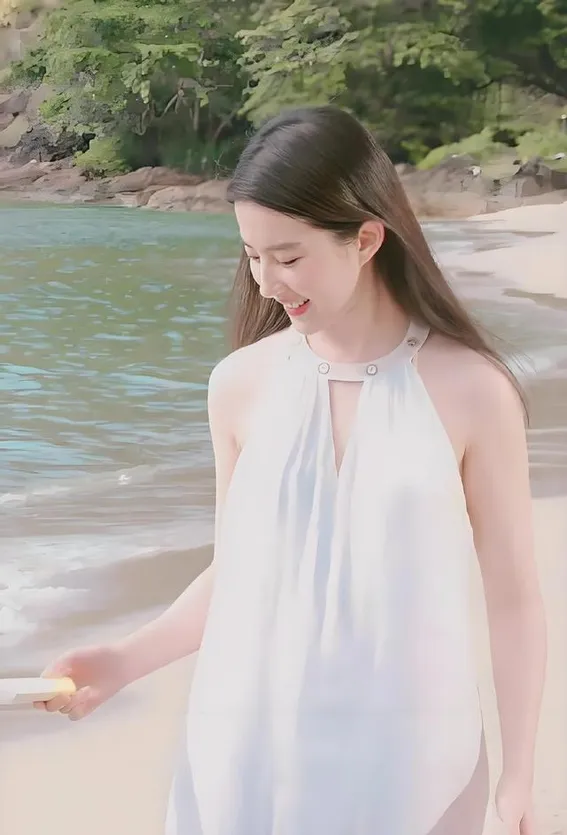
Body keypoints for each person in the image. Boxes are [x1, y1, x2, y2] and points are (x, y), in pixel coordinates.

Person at [35, 106, 547, 835]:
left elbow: (514, 598)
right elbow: (239, 570)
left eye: (289, 256)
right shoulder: (239, 384)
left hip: (414, 756)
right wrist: (123, 659)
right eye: (251, 255)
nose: (267, 281)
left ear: (365, 238)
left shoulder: (472, 389)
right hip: (245, 745)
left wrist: (519, 774)